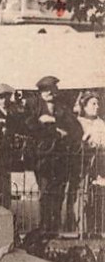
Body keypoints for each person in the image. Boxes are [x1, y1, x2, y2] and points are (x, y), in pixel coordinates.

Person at [26, 75, 83, 234]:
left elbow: (76, 129)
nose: (51, 93)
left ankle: (55, 226)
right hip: (42, 156)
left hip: (61, 156)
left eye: (52, 90)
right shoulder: (34, 106)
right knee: (45, 191)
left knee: (58, 192)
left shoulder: (62, 107)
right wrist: (44, 122)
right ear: (42, 92)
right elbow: (27, 124)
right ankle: (44, 225)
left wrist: (65, 134)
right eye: (47, 91)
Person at [76, 91, 105, 236]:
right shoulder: (79, 122)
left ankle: (98, 229)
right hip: (83, 165)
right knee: (82, 197)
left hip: (100, 164)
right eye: (93, 103)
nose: (97, 106)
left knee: (99, 196)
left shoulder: (101, 123)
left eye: (98, 104)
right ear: (85, 106)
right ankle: (81, 230)